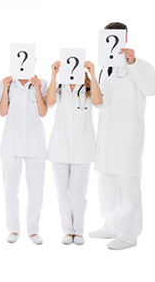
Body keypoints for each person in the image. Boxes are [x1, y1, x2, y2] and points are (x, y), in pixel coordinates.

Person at [89, 22, 155, 250]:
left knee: (128, 184)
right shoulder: (104, 69)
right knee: (107, 182)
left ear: (125, 39)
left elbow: (151, 88)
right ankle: (111, 225)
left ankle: (128, 234)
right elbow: (101, 103)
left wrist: (133, 63)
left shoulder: (142, 65)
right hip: (107, 136)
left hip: (128, 135)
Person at [46, 60, 103, 245]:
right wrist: (54, 75)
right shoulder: (60, 87)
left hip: (82, 146)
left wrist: (93, 74)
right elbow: (50, 102)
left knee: (78, 192)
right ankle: (67, 230)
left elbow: (99, 101)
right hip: (60, 145)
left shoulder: (87, 88)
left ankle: (78, 231)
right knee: (62, 191)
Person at [0, 62, 48, 245]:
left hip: (35, 142)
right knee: (10, 188)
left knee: (36, 189)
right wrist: (5, 89)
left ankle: (33, 229)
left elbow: (43, 112)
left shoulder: (41, 82)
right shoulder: (7, 83)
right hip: (12, 141)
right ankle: (13, 228)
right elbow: (2, 112)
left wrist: (38, 88)